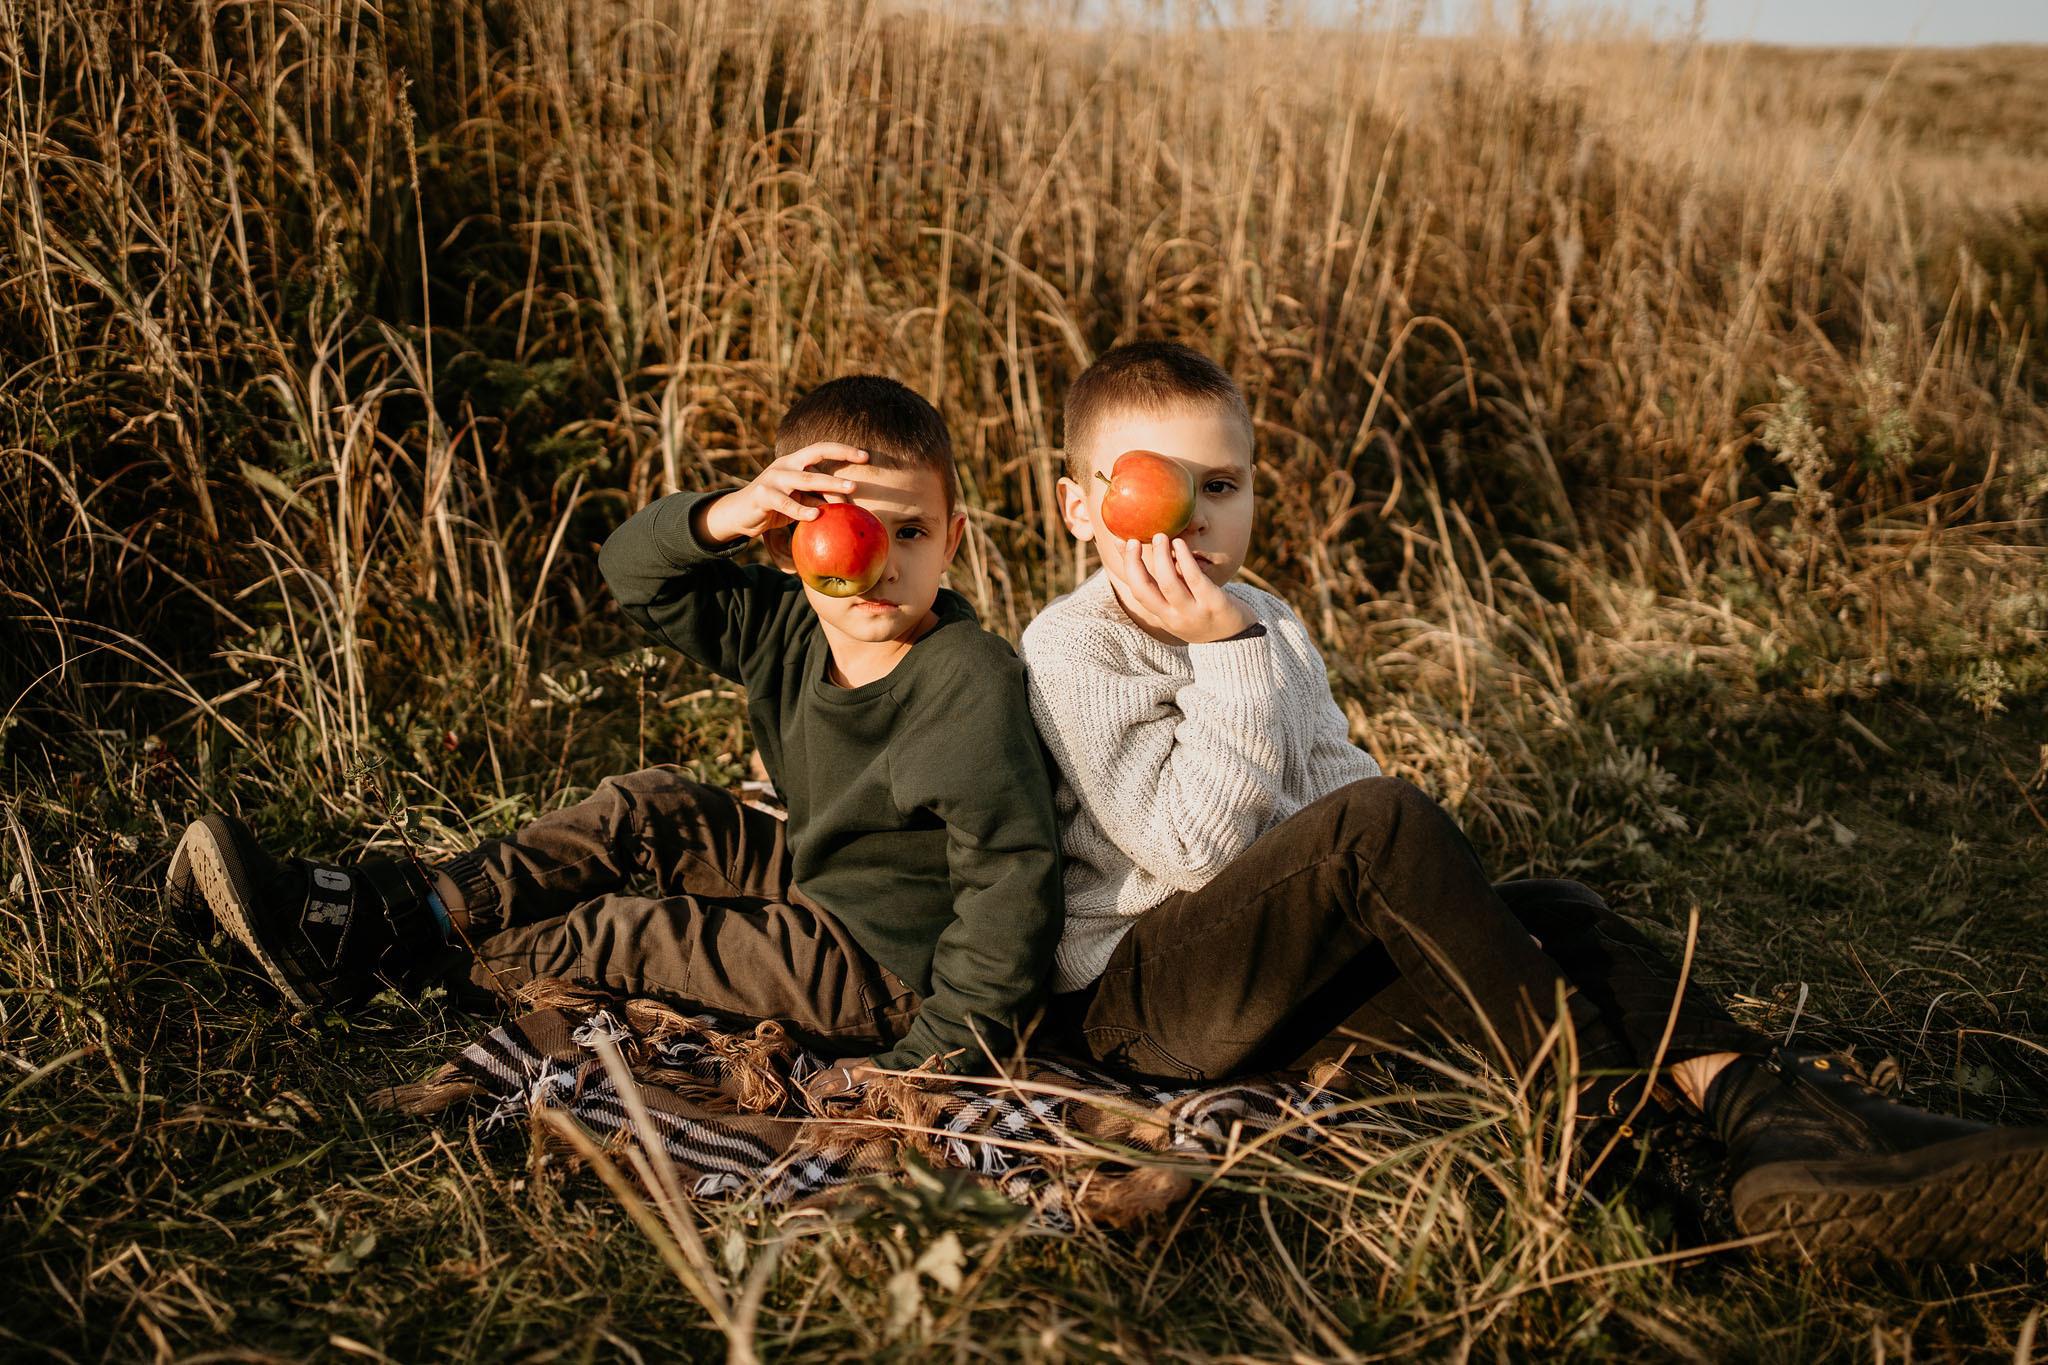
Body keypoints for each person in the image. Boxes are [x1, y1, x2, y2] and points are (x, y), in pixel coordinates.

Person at [1017, 340, 2048, 1260]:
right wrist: (1226, 655)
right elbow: (1197, 854)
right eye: (1157, 485)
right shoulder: (1075, 647)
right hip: (1144, 1005)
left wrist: (1463, 921)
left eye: (1223, 484)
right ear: (1078, 507)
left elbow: (1334, 795)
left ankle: (1770, 1115)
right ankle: (1609, 1137)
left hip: (1281, 983)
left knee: (1552, 907)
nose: (1192, 517)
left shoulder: (1265, 622)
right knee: (1388, 823)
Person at [167, 376, 1064, 1096]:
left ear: (952, 540)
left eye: (911, 532)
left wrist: (929, 1058)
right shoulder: (787, 623)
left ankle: (409, 966)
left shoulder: (965, 681)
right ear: (788, 542)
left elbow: (1011, 886)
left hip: (884, 968)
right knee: (649, 804)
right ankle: (407, 910)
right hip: (816, 876)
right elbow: (634, 574)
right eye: (847, 531)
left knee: (625, 932)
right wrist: (727, 513)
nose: (879, 562)